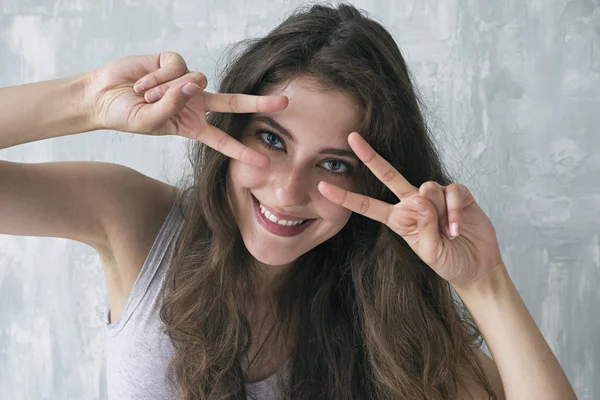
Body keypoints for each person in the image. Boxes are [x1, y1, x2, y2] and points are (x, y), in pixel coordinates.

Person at [0, 3, 576, 400]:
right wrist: (85, 101)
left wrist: (484, 282)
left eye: (333, 164)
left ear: (372, 184)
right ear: (231, 131)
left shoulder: (390, 320)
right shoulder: (138, 222)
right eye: (271, 140)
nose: (287, 191)